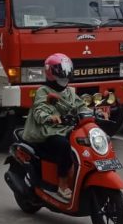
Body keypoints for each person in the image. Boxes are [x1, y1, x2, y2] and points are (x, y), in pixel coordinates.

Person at [21, 53, 89, 202]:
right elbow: (40, 109)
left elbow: (81, 106)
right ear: (50, 72)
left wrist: (94, 113)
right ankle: (63, 185)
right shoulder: (43, 91)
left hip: (65, 130)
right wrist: (49, 117)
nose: (64, 76)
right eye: (60, 71)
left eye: (66, 71)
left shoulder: (69, 92)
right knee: (64, 145)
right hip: (46, 133)